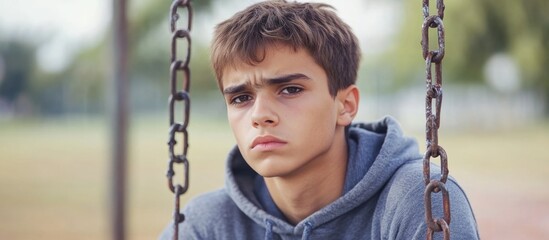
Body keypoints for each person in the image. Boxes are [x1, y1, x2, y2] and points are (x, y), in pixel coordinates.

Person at [160, 0, 479, 239]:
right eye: (241, 98)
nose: (260, 116)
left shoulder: (417, 201)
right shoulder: (207, 226)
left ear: (346, 105)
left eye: (289, 89)